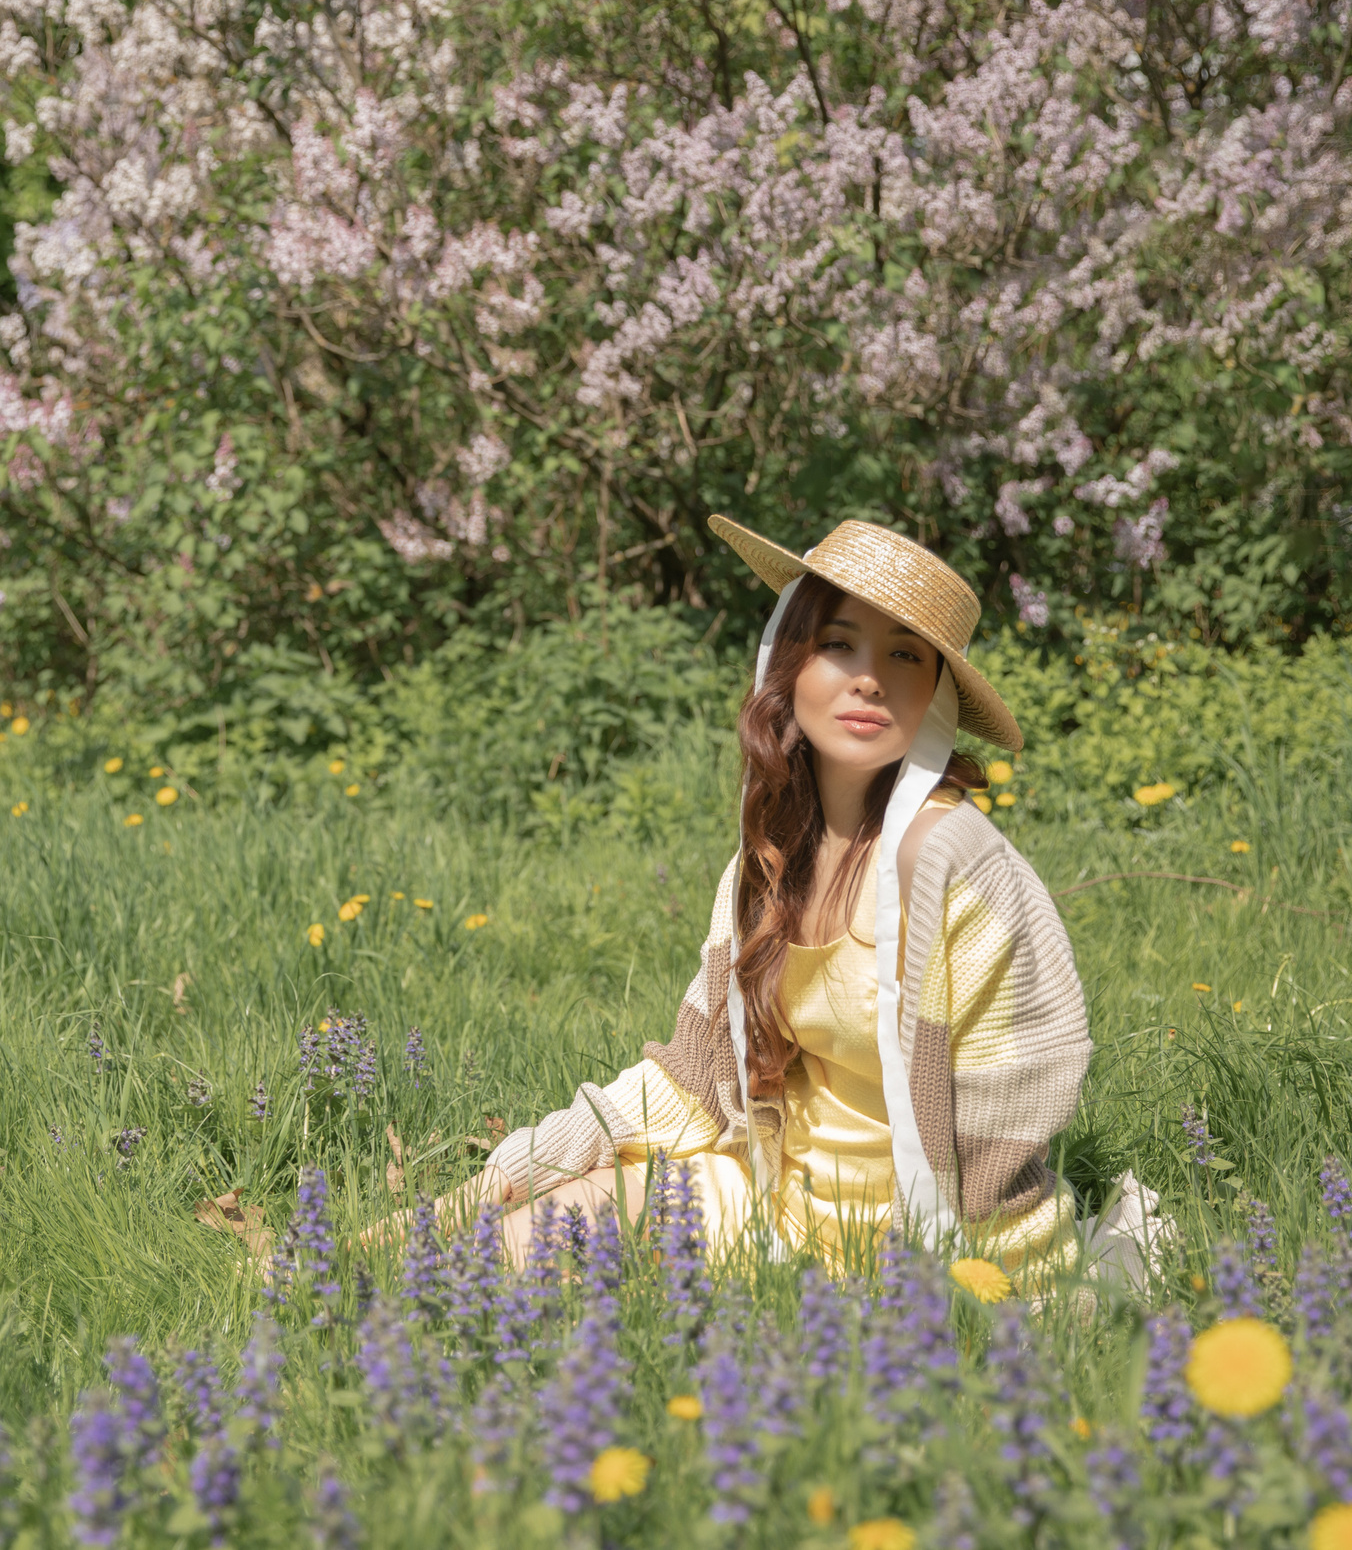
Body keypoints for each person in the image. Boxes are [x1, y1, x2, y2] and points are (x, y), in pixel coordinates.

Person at [452, 515, 1090, 1282]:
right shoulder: (767, 857)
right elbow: (694, 1074)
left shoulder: (956, 862)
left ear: (938, 694)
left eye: (903, 655)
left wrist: (1007, 1299)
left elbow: (1009, 1113)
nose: (869, 678)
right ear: (789, 659)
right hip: (765, 1204)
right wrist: (514, 1171)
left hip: (915, 1248)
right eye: (838, 643)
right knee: (491, 1247)